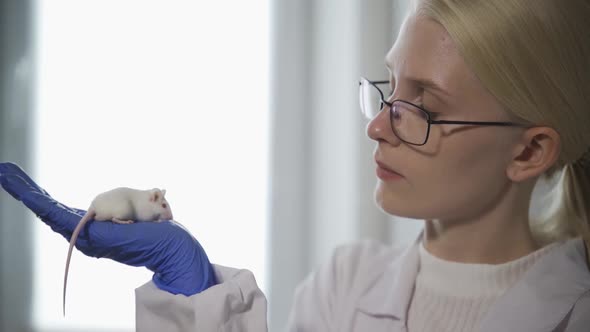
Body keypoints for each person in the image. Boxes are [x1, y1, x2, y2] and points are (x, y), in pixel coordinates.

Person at [1, 0, 590, 330]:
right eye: (389, 89)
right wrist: (190, 280)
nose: (377, 126)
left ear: (529, 151)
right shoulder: (346, 283)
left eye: (424, 109)